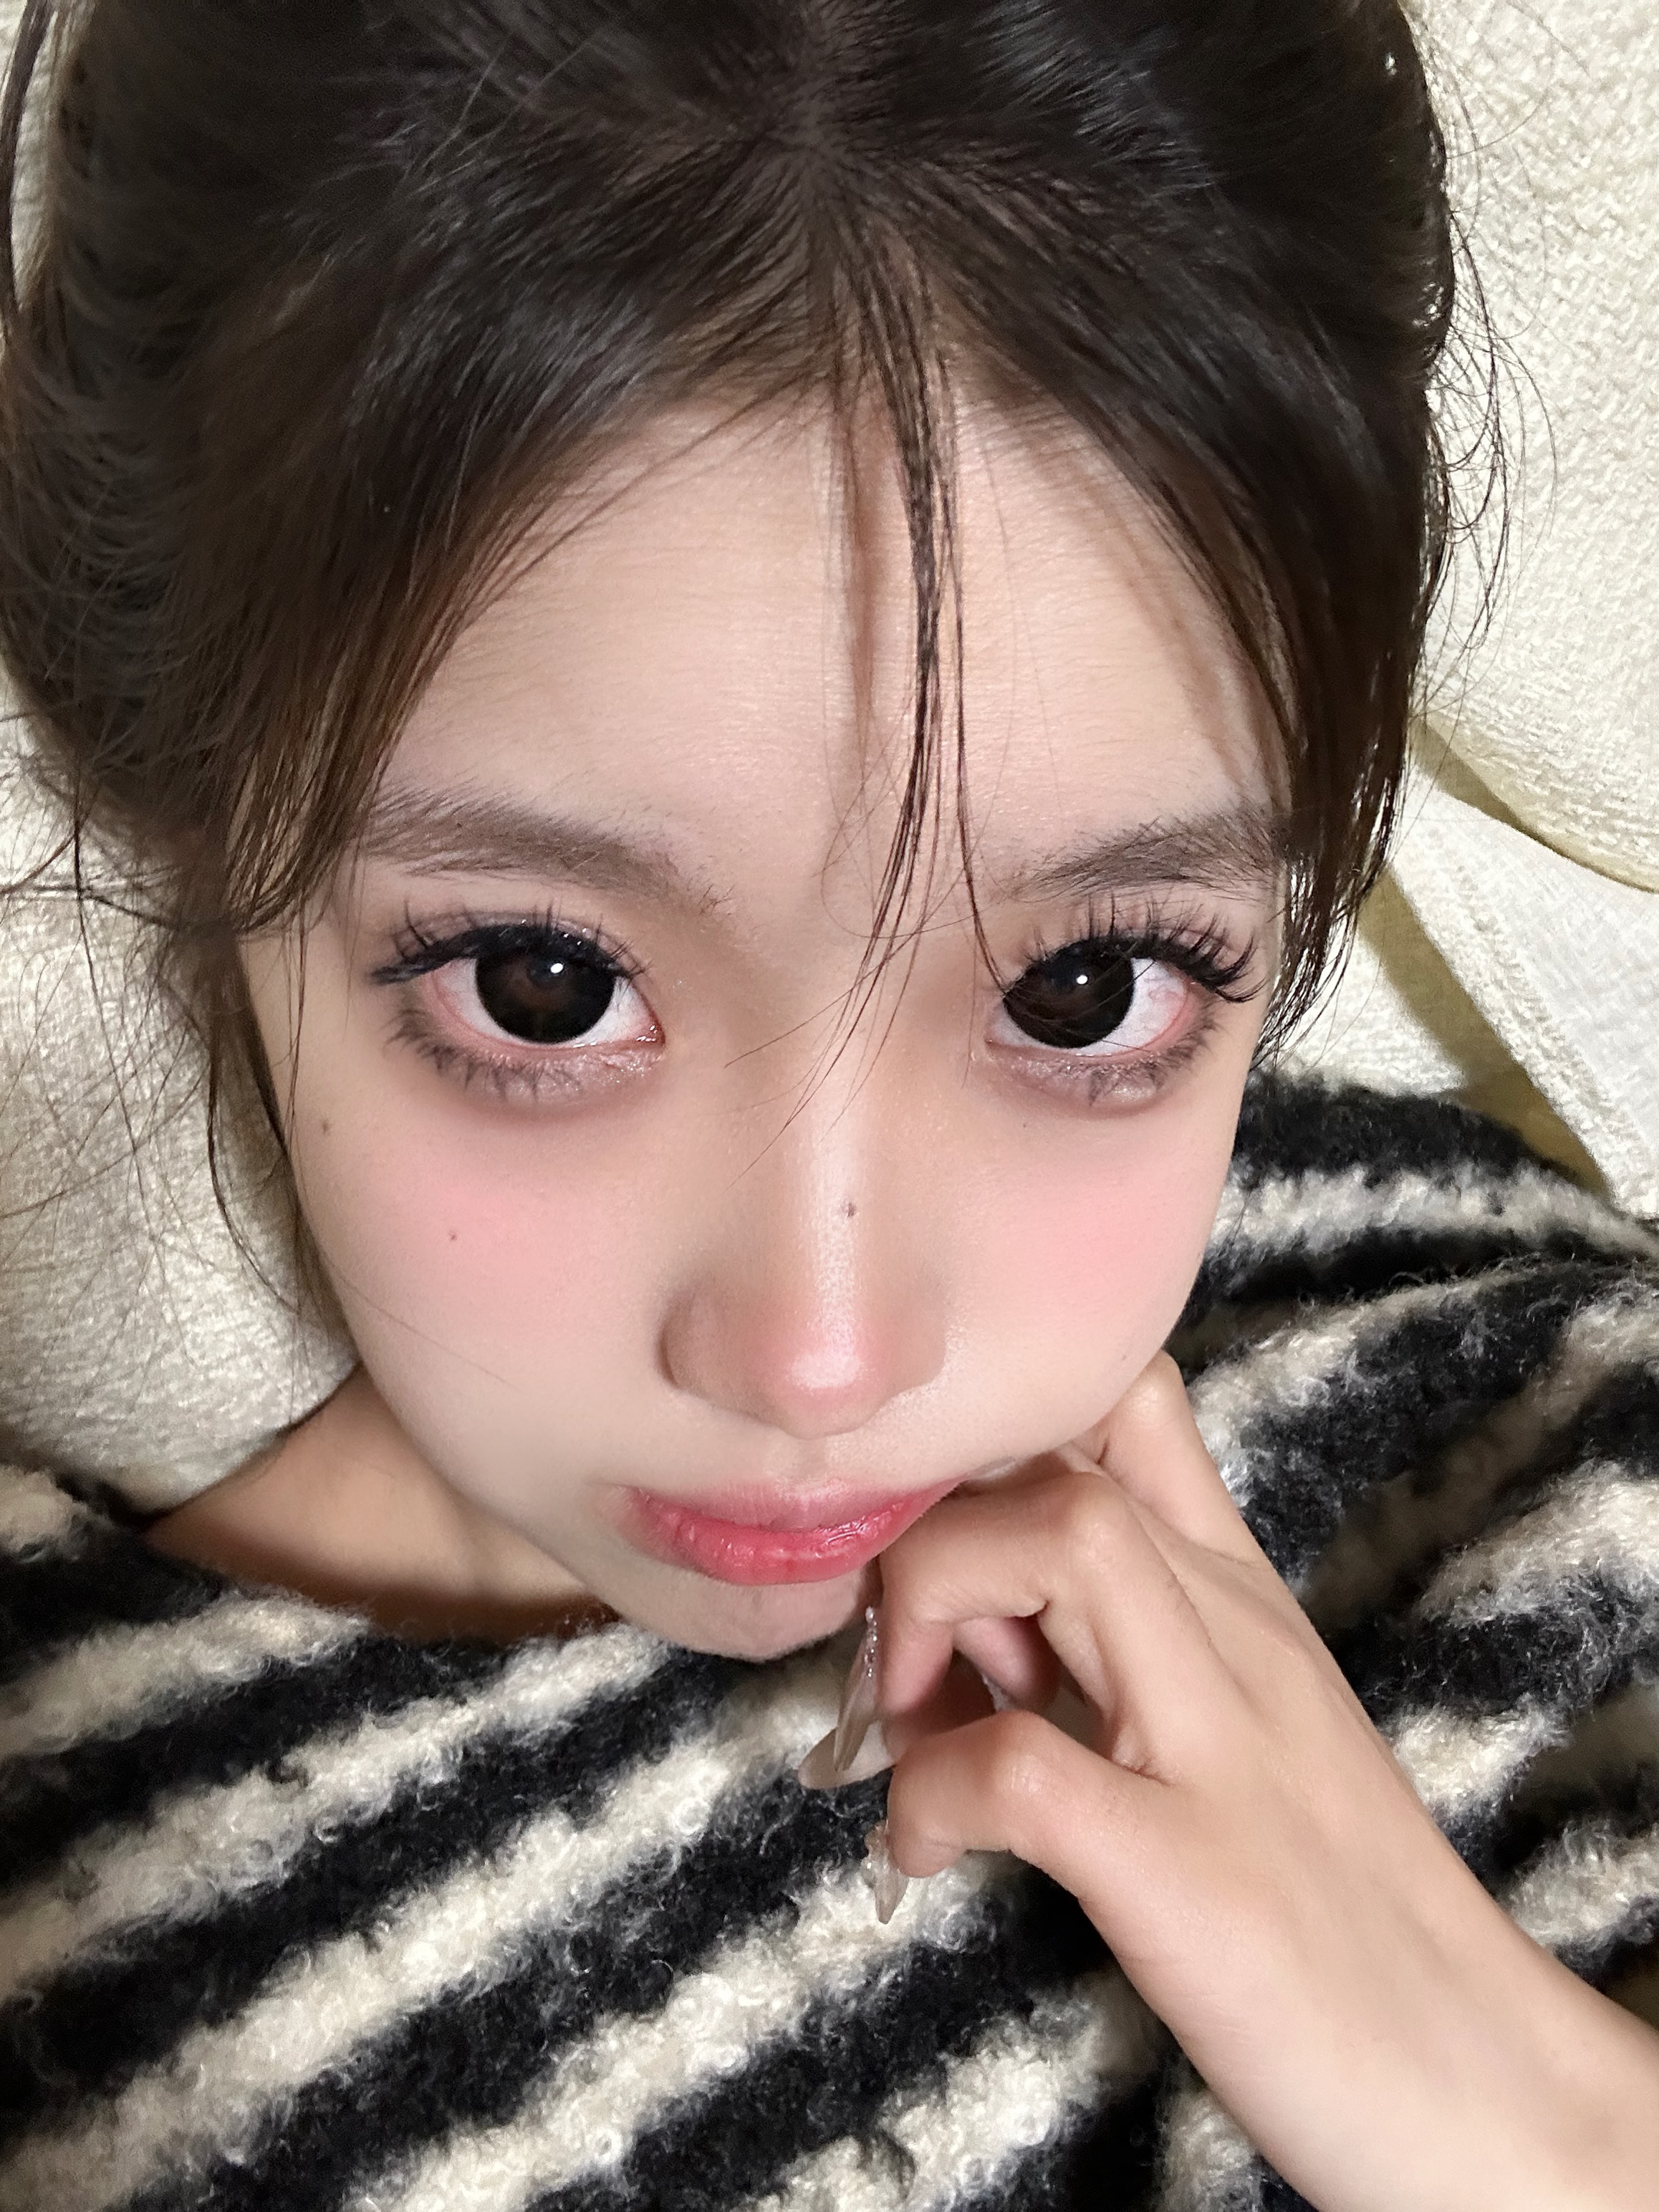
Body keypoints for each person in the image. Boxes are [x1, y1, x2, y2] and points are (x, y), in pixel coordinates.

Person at [0, 4, 1656, 2208]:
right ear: (178, 786)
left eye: (1085, 988)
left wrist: (1527, 2115)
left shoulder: (1564, 1472)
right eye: (543, 984)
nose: (821, 1357)